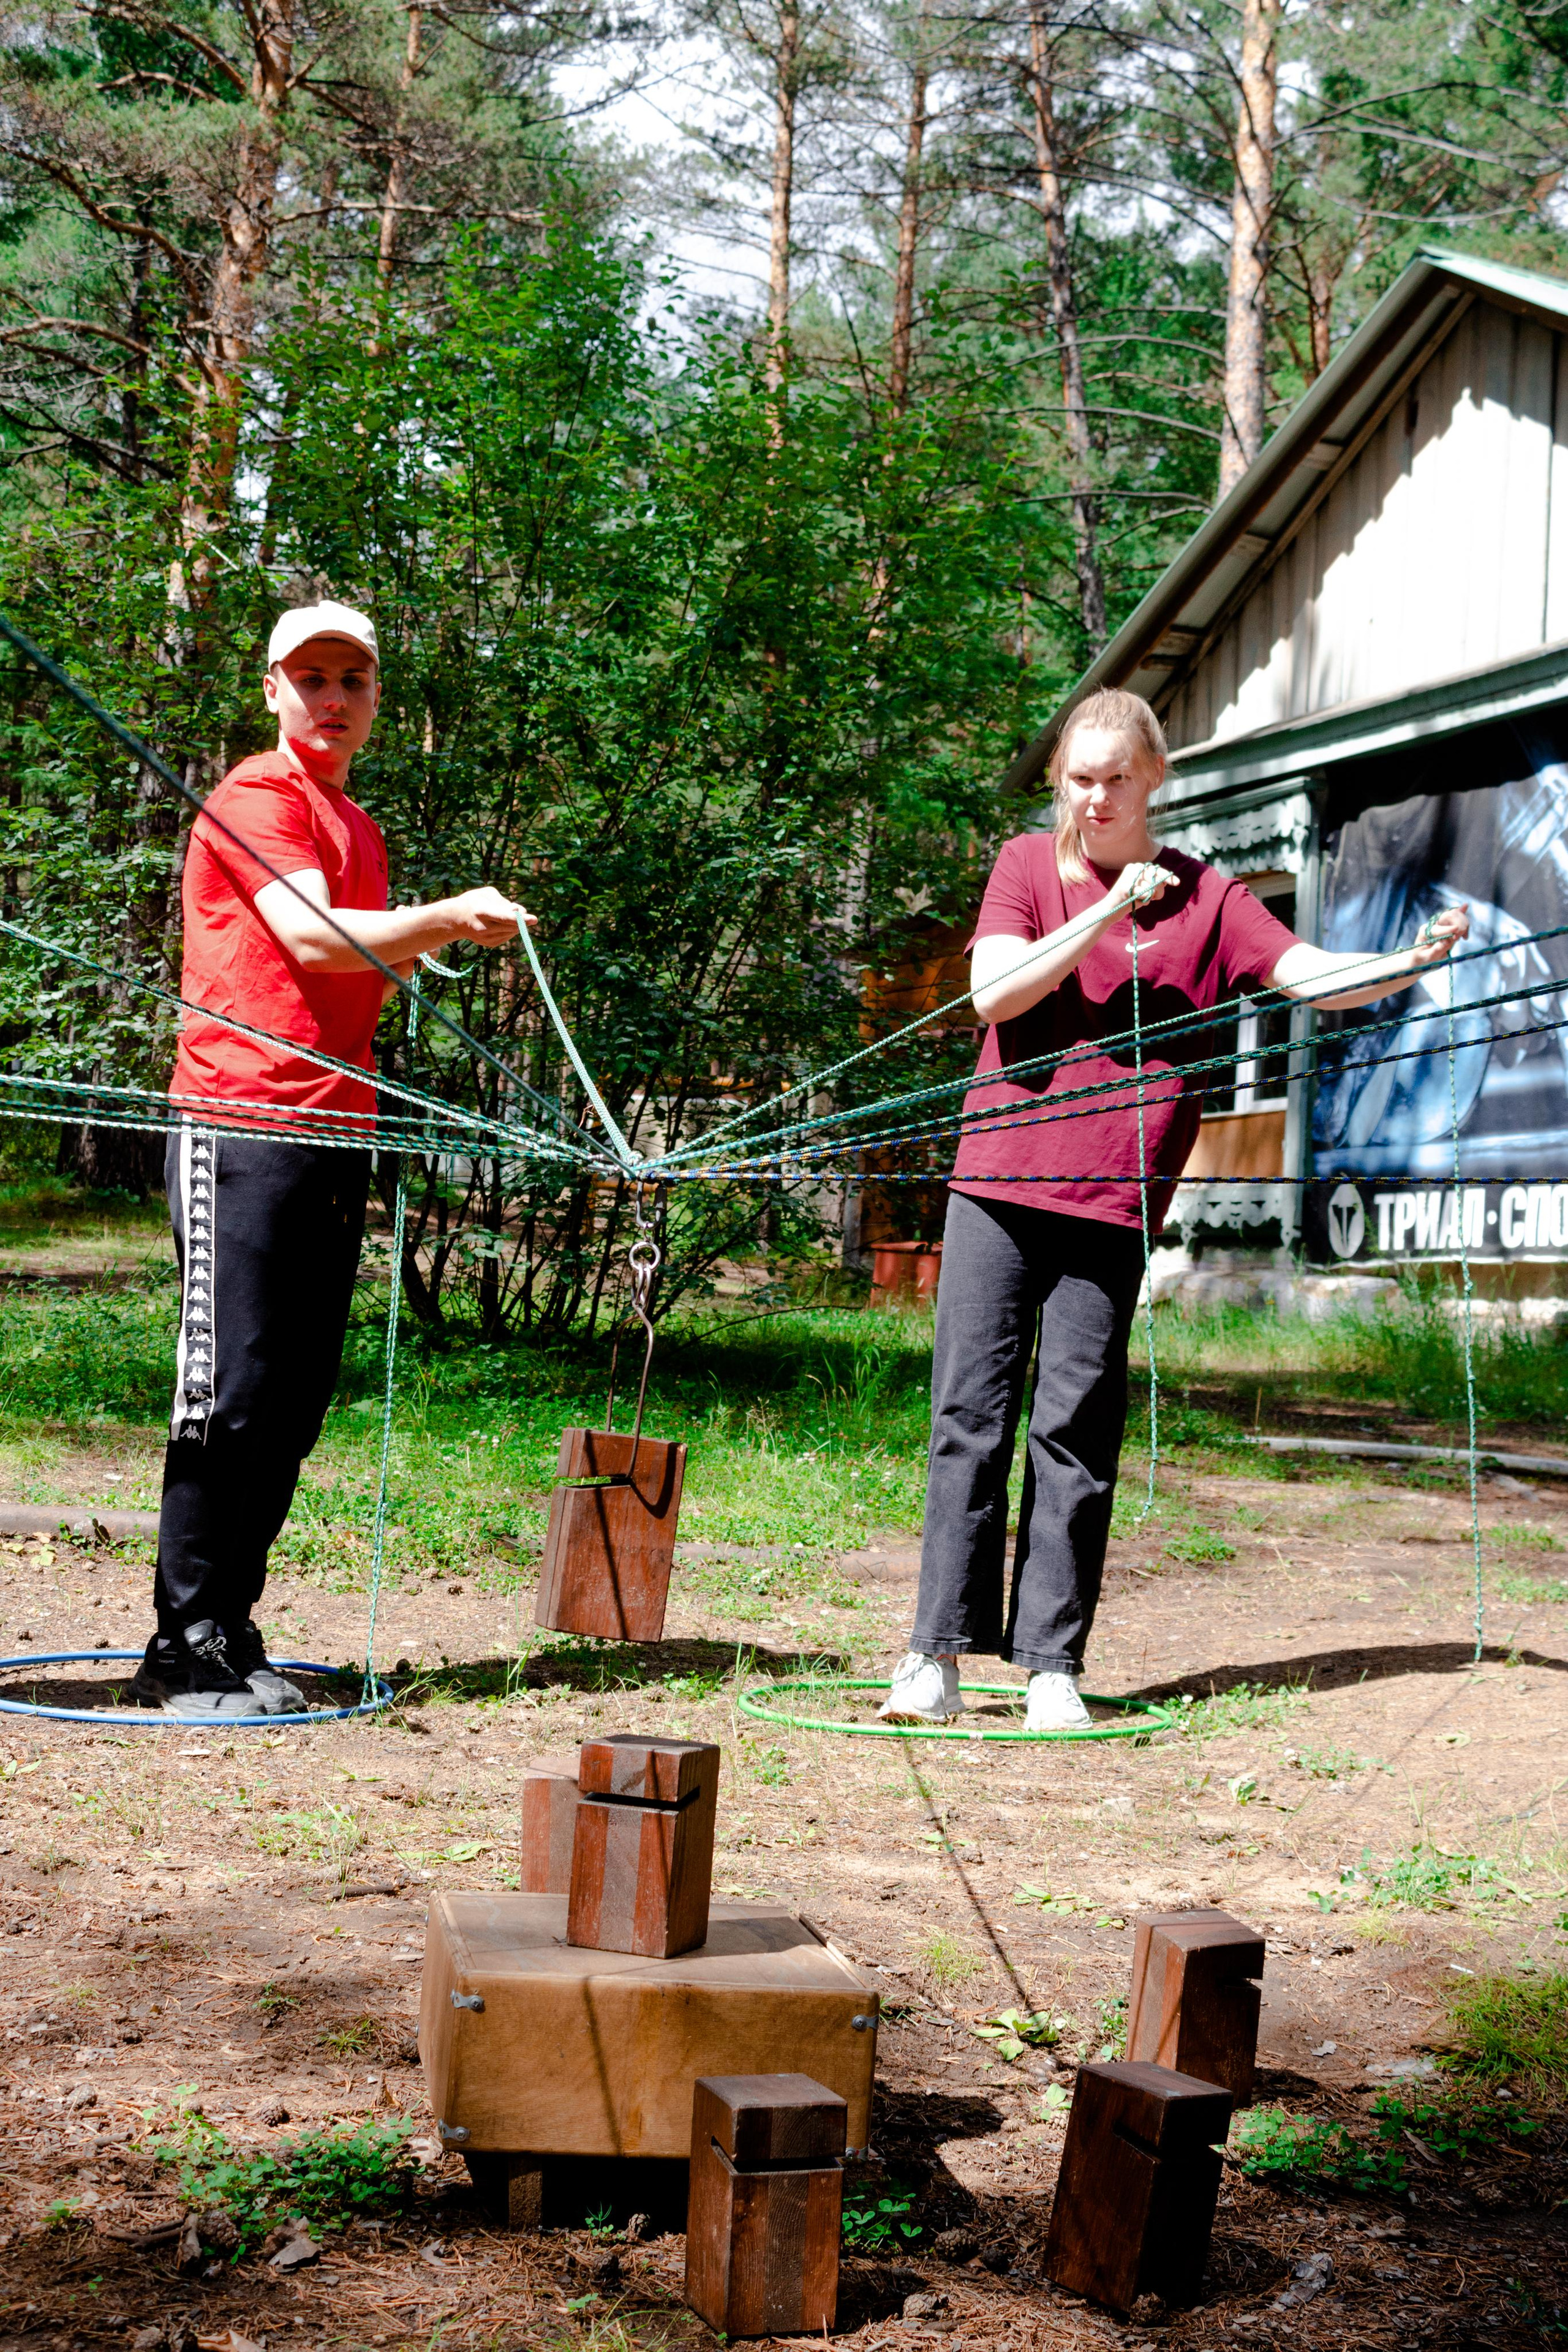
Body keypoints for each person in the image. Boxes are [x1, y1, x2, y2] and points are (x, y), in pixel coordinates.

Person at [878, 687, 1469, 1733]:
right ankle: (934, 1657)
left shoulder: (1210, 896)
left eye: (1116, 779)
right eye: (1079, 777)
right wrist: (1108, 908)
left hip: (1113, 1199)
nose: (1095, 798)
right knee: (967, 1421)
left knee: (1075, 1431)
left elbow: (1307, 976)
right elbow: (995, 995)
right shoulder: (1026, 869)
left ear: (1154, 777)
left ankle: (1051, 1666)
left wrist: (1407, 966)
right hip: (1000, 1188)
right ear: (1061, 777)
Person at [132, 600, 527, 1721]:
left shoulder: (353, 824)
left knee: (294, 1398)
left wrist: (423, 941)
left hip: (330, 1129)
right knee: (233, 1389)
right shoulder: (258, 795)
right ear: (272, 688)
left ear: (375, 701)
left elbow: (349, 969)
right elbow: (308, 937)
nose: (334, 698)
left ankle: (229, 1630)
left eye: (354, 680)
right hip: (240, 1120)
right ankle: (182, 1640)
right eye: (312, 677)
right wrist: (449, 918)